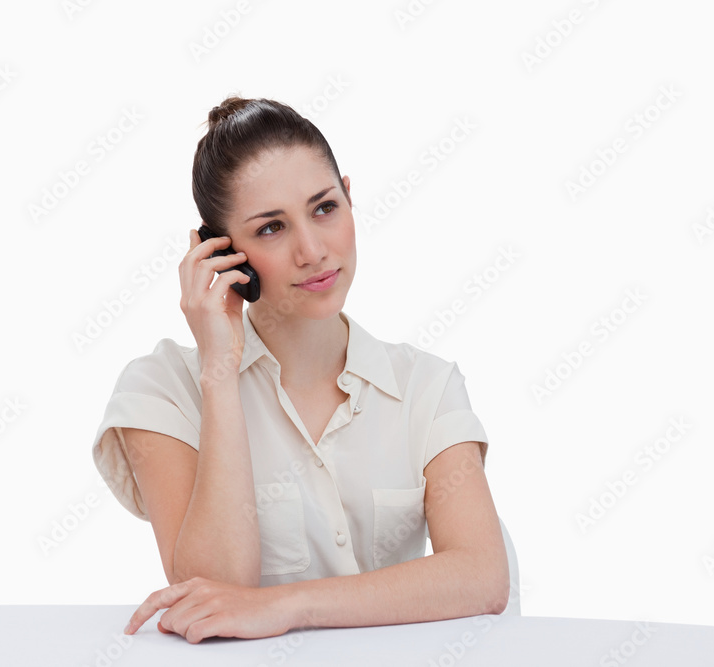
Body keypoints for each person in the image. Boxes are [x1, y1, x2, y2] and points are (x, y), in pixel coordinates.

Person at [91, 95, 513, 644]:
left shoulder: (426, 387)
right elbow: (210, 592)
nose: (312, 251)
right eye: (271, 228)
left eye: (324, 208)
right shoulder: (162, 390)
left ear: (349, 197)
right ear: (221, 252)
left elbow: (482, 576)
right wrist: (220, 372)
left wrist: (286, 606)